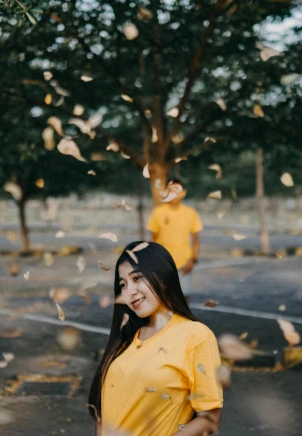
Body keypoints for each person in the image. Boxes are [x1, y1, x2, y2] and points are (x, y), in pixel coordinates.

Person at [88, 242, 223, 436]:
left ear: (163, 278)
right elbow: (103, 412)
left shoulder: (196, 335)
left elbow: (210, 419)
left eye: (137, 278)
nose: (130, 291)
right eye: (123, 285)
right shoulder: (125, 338)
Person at [147, 178, 202, 295]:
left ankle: (182, 314)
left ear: (183, 193)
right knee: (164, 298)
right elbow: (153, 240)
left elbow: (196, 241)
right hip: (163, 264)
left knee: (183, 298)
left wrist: (193, 260)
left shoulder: (190, 213)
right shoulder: (158, 212)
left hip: (184, 264)